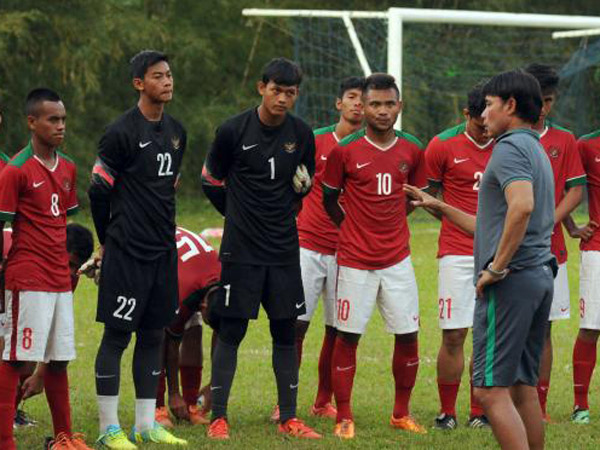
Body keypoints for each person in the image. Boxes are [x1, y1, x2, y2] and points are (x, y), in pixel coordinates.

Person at [405, 70, 556, 450]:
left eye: (489, 105)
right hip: (538, 274)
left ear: (510, 105)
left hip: (514, 280)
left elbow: (521, 208)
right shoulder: (534, 146)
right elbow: (495, 223)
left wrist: (497, 267)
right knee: (523, 387)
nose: (483, 113)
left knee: (488, 392)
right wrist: (439, 205)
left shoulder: (508, 147)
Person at [201, 57, 321, 440]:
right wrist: (236, 216)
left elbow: (305, 181)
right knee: (232, 329)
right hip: (241, 251)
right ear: (261, 88)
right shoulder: (233, 130)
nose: (283, 99)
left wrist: (296, 195)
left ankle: (289, 417)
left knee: (286, 331)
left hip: (284, 249)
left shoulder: (302, 134)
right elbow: (210, 181)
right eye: (276, 90)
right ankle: (218, 417)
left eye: (290, 93)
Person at [88, 50, 187, 448]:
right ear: (138, 84)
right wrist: (107, 240)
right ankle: (107, 428)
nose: (167, 81)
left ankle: (145, 423)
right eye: (157, 75)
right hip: (127, 250)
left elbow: (169, 186)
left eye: (168, 74)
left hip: (163, 249)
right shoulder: (120, 132)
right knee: (116, 336)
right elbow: (99, 190)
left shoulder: (178, 130)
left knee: (153, 335)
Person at [322, 73, 428, 439]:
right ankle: (344, 416)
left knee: (408, 335)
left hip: (398, 259)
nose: (383, 111)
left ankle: (401, 413)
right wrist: (353, 229)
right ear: (362, 107)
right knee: (347, 337)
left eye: (389, 104)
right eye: (375, 104)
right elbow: (328, 199)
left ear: (399, 106)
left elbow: (416, 195)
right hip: (353, 260)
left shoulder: (413, 148)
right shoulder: (344, 151)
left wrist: (392, 221)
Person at [0, 88, 92, 450]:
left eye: (63, 119)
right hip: (28, 276)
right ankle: (6, 440)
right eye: (52, 119)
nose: (60, 126)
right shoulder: (15, 170)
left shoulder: (68, 166)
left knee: (58, 359)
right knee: (16, 358)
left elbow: (62, 224)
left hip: (57, 278)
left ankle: (64, 439)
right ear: (31, 122)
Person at [294, 76, 364, 420]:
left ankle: (323, 401)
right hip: (308, 246)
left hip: (348, 252)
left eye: (363, 99)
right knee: (296, 325)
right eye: (352, 97)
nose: (358, 104)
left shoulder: (369, 146)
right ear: (339, 103)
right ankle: (286, 400)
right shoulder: (314, 140)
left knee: (337, 330)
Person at [424, 84, 494, 430]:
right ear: (466, 114)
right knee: (454, 334)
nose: (486, 127)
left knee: (489, 333)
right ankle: (447, 411)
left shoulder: (508, 144)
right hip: (455, 253)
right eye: (479, 122)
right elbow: (430, 197)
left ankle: (479, 411)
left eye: (490, 120)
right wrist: (461, 223)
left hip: (499, 253)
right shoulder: (441, 145)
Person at [524, 63, 586, 421]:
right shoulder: (507, 136)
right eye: (538, 99)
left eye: (549, 100)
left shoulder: (564, 140)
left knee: (543, 329)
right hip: (512, 250)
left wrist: (553, 221)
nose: (544, 108)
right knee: (509, 329)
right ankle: (494, 402)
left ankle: (540, 405)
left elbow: (575, 189)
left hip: (552, 253)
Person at [9, 224, 94, 428]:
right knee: (12, 352)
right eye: (69, 264)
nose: (71, 273)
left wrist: (40, 374)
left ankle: (8, 413)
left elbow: (51, 326)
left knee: (26, 354)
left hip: (18, 292)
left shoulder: (69, 276)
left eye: (76, 268)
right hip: (10, 284)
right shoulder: (24, 256)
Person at [154, 227, 220, 428]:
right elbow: (170, 341)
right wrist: (174, 393)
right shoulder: (185, 292)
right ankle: (157, 407)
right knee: (157, 336)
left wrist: (216, 384)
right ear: (204, 305)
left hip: (189, 267)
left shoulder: (230, 287)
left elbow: (225, 332)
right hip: (157, 261)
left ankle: (191, 404)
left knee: (195, 330)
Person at [563, 130, 600, 424]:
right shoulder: (586, 145)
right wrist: (572, 226)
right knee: (591, 328)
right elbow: (563, 186)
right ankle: (580, 406)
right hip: (597, 250)